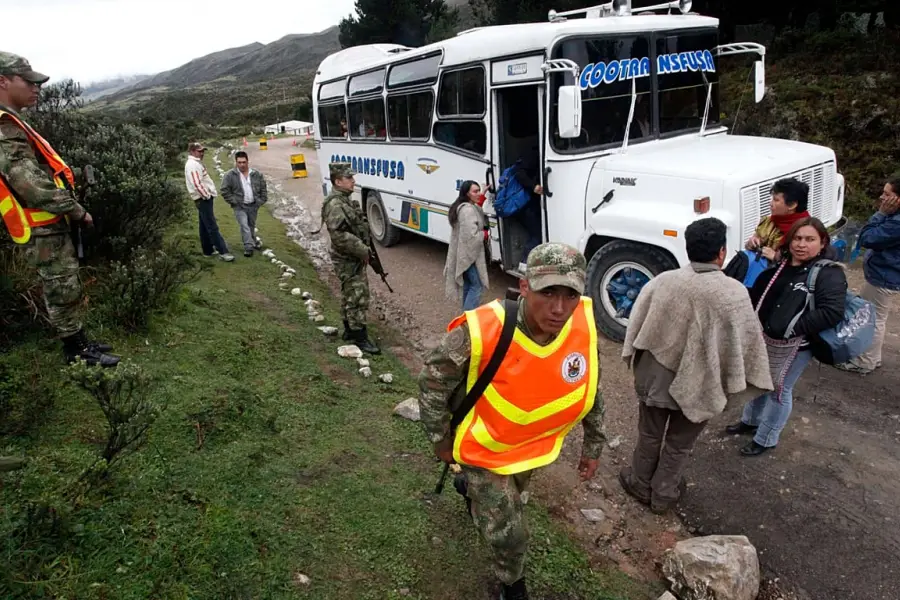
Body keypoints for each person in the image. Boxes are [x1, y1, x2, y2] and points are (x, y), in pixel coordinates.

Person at [419, 243, 606, 600]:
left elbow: (591, 387)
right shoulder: (481, 330)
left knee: (515, 499)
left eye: (570, 295)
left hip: (528, 449)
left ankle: (470, 493)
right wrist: (440, 441)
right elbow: (432, 383)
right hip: (482, 448)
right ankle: (512, 584)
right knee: (510, 532)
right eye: (548, 292)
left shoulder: (580, 328)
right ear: (524, 287)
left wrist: (593, 445)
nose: (559, 308)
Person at [619, 217, 772, 514]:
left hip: (655, 375)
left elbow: (638, 326)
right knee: (679, 442)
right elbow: (743, 344)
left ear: (688, 248)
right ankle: (663, 494)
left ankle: (639, 482)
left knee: (650, 433)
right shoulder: (734, 293)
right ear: (722, 253)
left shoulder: (663, 281)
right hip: (704, 381)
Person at [0, 51, 120, 367]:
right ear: (3, 81)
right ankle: (75, 352)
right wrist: (76, 209)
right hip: (39, 225)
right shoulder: (3, 126)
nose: (37, 87)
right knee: (60, 287)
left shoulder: (12, 121)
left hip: (47, 221)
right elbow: (29, 184)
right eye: (28, 81)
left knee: (66, 284)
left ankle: (80, 342)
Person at [727, 217, 848, 456]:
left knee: (779, 390)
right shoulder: (781, 266)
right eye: (797, 238)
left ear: (822, 243)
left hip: (797, 345)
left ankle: (766, 437)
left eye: (810, 239)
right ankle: (751, 421)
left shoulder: (828, 274)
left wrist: (791, 328)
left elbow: (832, 311)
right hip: (767, 338)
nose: (802, 244)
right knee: (759, 380)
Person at [836, 175, 900, 375]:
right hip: (886, 274)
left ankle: (865, 361)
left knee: (873, 318)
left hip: (884, 277)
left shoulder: (896, 222)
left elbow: (867, 238)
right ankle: (873, 357)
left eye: (887, 194)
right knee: (876, 315)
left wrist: (880, 214)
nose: (882, 197)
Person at [321, 162, 379, 354]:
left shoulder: (344, 200)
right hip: (347, 258)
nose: (353, 181)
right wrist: (363, 250)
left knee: (349, 293)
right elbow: (339, 236)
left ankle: (348, 329)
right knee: (358, 295)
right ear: (338, 181)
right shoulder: (336, 204)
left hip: (350, 257)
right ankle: (359, 337)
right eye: (349, 178)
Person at [184, 142, 234, 262]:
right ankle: (223, 251)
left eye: (202, 151)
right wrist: (207, 196)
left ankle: (208, 250)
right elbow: (197, 183)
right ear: (192, 151)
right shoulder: (192, 165)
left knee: (204, 226)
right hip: (202, 199)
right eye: (199, 151)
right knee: (212, 225)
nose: (202, 153)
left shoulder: (195, 163)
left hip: (202, 198)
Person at [445, 180, 490, 311]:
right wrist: (486, 234)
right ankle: (468, 320)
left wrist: (483, 193)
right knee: (477, 286)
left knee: (469, 285)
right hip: (467, 256)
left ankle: (464, 316)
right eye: (475, 191)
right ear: (467, 194)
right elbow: (472, 237)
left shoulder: (464, 207)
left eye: (478, 191)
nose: (478, 194)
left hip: (462, 254)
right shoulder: (467, 211)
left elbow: (476, 212)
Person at [745, 178, 811, 263]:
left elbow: (805, 264)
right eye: (772, 199)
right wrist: (751, 244)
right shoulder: (768, 221)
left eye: (776, 200)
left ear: (792, 205)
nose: (771, 204)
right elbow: (750, 244)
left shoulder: (807, 230)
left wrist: (775, 257)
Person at [220, 151, 267, 257]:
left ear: (248, 161)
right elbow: (224, 190)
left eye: (244, 162)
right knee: (244, 225)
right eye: (239, 162)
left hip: (253, 205)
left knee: (251, 226)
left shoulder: (256, 174)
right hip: (239, 206)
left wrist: (261, 200)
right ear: (236, 162)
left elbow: (263, 187)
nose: (242, 165)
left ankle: (253, 241)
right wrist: (233, 201)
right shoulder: (229, 175)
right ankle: (248, 247)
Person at [513, 149, 543, 272]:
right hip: (526, 204)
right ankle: (524, 263)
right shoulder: (532, 155)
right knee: (537, 234)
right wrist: (533, 186)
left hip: (532, 203)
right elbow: (519, 174)